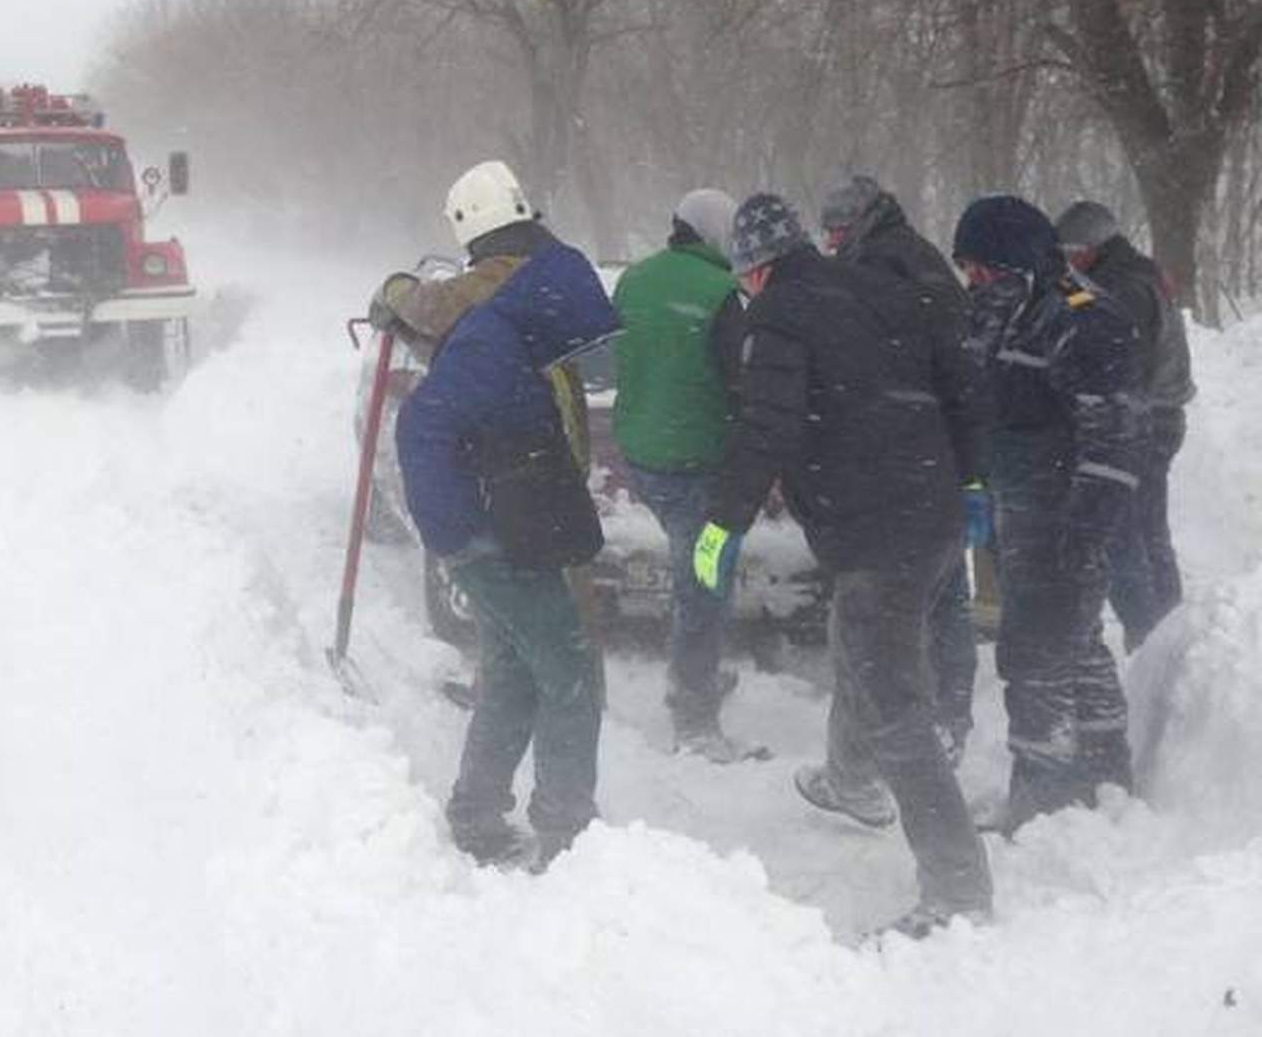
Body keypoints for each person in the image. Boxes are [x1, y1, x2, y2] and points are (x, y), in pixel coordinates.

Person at [694, 193, 993, 937]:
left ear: (755, 269)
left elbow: (765, 428)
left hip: (877, 532)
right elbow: (956, 382)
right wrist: (972, 480)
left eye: (744, 276)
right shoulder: (876, 286)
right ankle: (848, 779)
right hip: (932, 513)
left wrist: (721, 524)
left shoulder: (777, 315)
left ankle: (957, 886)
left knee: (895, 704)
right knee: (858, 644)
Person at [389, 160, 619, 868]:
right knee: (569, 673)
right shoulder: (497, 328)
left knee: (515, 674)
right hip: (497, 533)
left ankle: (476, 813)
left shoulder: (515, 325)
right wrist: (462, 534)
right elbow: (425, 425)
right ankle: (568, 831)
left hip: (514, 524)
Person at [953, 197, 1140, 828]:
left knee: (1034, 655)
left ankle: (1044, 804)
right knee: (1076, 644)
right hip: (1018, 507)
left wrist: (1086, 528)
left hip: (1063, 517)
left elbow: (1112, 436)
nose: (973, 281)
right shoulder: (1005, 312)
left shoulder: (1080, 319)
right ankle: (1106, 776)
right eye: (967, 269)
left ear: (1017, 263)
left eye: (981, 269)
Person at [819, 172, 983, 768]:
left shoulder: (877, 273)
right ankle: (946, 721)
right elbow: (961, 375)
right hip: (937, 459)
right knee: (943, 598)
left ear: (863, 221)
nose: (832, 242)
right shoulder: (921, 261)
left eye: (839, 230)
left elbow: (930, 375)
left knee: (885, 621)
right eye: (827, 232)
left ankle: (890, 749)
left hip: (903, 465)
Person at [609, 188, 753, 760]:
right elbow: (742, 383)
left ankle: (699, 672)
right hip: (698, 462)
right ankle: (694, 713)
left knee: (697, 573)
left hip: (641, 454)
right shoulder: (722, 293)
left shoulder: (634, 280)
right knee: (704, 585)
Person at [1053, 201, 1194, 650]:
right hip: (1158, 413)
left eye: (1073, 253)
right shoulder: (1132, 273)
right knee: (1147, 525)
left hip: (1146, 417)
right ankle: (1169, 630)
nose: (1070, 263)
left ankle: (1154, 636)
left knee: (1131, 529)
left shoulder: (1125, 286)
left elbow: (1114, 345)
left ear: (1095, 247)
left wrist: (1062, 289)